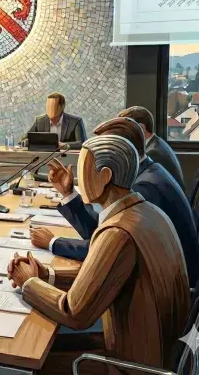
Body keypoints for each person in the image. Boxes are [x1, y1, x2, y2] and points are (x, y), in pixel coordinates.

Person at [9, 135, 189, 374]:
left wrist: (28, 282)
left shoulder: (118, 232)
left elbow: (74, 313)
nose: (77, 178)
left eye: (83, 169)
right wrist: (47, 274)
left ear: (105, 176)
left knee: (15, 361)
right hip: (156, 354)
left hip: (129, 366)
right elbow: (101, 277)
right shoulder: (147, 212)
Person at [31, 117, 199, 286]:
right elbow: (101, 232)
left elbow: (109, 247)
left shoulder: (144, 187)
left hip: (164, 287)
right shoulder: (147, 171)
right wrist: (68, 193)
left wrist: (53, 243)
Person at [118, 105, 184, 190]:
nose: (125, 134)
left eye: (128, 129)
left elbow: (137, 183)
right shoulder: (156, 144)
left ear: (141, 128)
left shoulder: (153, 153)